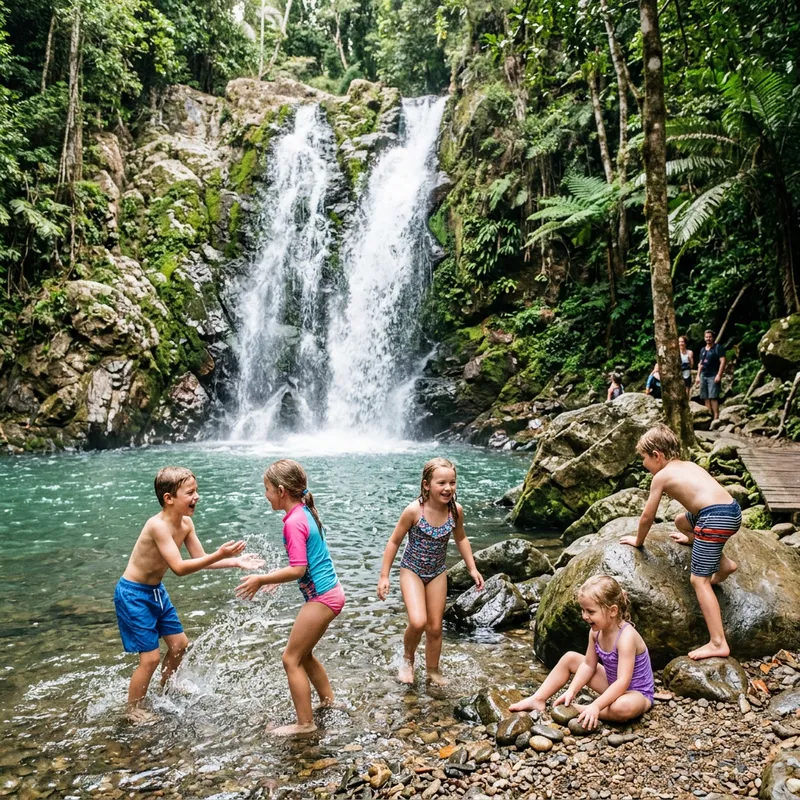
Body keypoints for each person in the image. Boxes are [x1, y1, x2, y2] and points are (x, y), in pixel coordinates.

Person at [115, 466, 264, 723]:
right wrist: (220, 554)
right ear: (169, 498)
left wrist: (235, 562)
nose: (197, 497)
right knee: (149, 658)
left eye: (197, 491)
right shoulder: (157, 526)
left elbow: (200, 559)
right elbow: (180, 568)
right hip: (133, 594)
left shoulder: (186, 524)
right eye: (191, 492)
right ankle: (133, 709)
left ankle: (166, 687)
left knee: (180, 645)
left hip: (155, 592)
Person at [236, 459, 345, 736]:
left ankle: (305, 723)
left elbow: (299, 568)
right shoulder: (304, 512)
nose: (266, 495)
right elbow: (305, 564)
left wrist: (262, 579)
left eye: (268, 489)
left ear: (281, 490)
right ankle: (329, 702)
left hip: (323, 597)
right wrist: (275, 576)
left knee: (290, 658)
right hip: (331, 592)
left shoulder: (294, 522)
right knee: (304, 654)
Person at [620, 425, 741, 660]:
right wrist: (694, 536)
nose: (644, 464)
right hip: (731, 511)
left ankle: (718, 642)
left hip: (713, 519)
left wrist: (638, 540)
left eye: (644, 458)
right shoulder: (689, 465)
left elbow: (647, 516)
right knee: (681, 522)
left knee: (699, 580)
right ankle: (724, 565)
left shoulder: (661, 476)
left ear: (657, 455)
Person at [376, 457, 484, 686]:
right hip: (411, 570)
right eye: (441, 483)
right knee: (418, 622)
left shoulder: (455, 511)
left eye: (452, 483)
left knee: (435, 627)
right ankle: (407, 659)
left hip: (436, 572)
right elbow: (394, 541)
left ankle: (432, 670)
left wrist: (472, 569)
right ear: (426, 485)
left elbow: (461, 538)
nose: (448, 488)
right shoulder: (414, 511)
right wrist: (384, 576)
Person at [508, 575, 654, 727]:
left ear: (612, 611)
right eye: (583, 610)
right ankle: (538, 698)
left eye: (590, 611)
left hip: (636, 694)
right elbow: (588, 665)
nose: (584, 616)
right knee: (570, 658)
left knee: (623, 707)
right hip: (611, 684)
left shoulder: (626, 637)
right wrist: (572, 690)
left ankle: (581, 710)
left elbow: (623, 682)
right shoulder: (595, 632)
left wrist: (596, 705)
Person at [695, 329, 726, 420]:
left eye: (710, 337)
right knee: (705, 397)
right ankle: (708, 416)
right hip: (703, 374)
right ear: (704, 338)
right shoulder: (703, 350)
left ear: (713, 338)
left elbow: (723, 361)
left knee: (713, 396)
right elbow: (700, 363)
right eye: (706, 337)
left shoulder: (718, 348)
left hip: (713, 374)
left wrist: (719, 375)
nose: (708, 339)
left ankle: (716, 416)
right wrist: (697, 376)